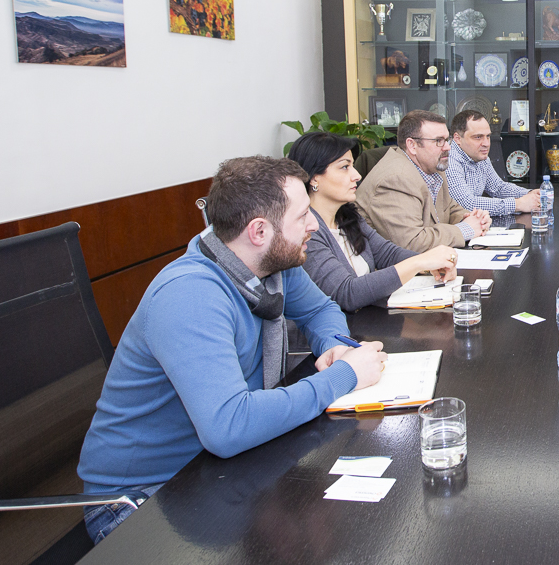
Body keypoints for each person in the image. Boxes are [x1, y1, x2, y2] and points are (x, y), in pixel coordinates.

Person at [77, 156, 388, 543]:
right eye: (302, 216)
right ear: (258, 231)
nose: (314, 224)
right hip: (142, 501)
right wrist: (344, 376)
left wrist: (336, 347)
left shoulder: (272, 264)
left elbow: (321, 310)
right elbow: (228, 426)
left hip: (218, 471)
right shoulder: (191, 295)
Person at [288, 131, 459, 311]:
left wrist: (430, 264)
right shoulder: (305, 232)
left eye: (352, 165)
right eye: (344, 167)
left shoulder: (348, 216)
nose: (357, 175)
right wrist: (419, 263)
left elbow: (386, 254)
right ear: (314, 177)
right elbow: (347, 293)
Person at [356, 110, 492, 252]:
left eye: (447, 140)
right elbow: (412, 243)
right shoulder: (395, 179)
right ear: (412, 145)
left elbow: (449, 208)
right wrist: (465, 230)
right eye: (438, 141)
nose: (448, 147)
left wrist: (474, 219)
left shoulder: (434, 167)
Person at [445, 109, 540, 216]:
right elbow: (466, 204)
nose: (486, 143)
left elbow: (498, 188)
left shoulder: (479, 156)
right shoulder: (449, 160)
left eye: (488, 136)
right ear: (457, 138)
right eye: (478, 137)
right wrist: (517, 204)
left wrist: (529, 194)